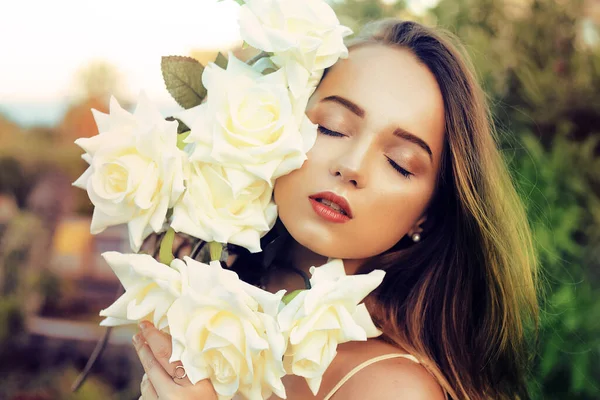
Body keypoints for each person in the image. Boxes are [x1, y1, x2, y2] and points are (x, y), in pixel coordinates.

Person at [131, 19, 538, 400]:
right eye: (332, 127)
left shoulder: (392, 387)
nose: (353, 166)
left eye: (399, 161)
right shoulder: (200, 290)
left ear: (426, 214)